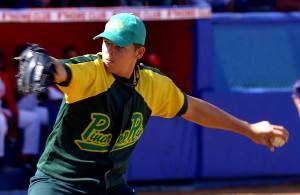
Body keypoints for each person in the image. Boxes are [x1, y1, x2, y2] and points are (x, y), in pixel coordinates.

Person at [25, 13, 289, 194]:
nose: (109, 51)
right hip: (60, 182)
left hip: (110, 186)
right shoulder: (92, 71)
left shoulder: (152, 85)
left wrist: (249, 129)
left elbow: (194, 108)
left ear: (139, 53)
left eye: (119, 45)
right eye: (106, 42)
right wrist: (43, 61)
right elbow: (62, 70)